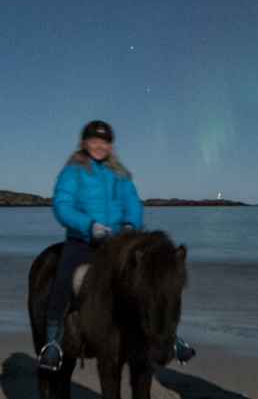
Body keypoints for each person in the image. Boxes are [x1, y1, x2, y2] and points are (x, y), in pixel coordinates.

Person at [39, 120, 194, 370]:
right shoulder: (73, 172)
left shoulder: (120, 174)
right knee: (63, 283)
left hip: (119, 243)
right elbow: (62, 206)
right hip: (83, 240)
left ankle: (169, 338)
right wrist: (88, 225)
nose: (99, 146)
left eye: (104, 142)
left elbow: (133, 202)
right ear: (85, 143)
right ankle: (53, 345)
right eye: (94, 141)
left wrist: (132, 224)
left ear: (110, 146)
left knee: (153, 282)